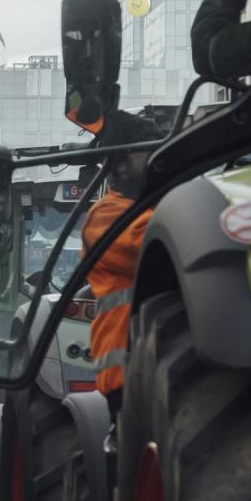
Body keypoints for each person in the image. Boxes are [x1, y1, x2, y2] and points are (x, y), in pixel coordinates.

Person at [83, 111, 165, 405]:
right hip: (126, 371)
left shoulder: (153, 206)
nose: (155, 162)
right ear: (119, 165)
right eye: (146, 154)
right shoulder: (106, 216)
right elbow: (153, 244)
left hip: (160, 359)